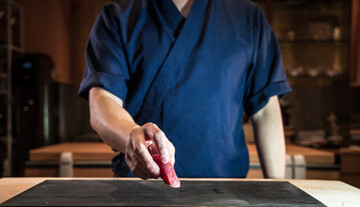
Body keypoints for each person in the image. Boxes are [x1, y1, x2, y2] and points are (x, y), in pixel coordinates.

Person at [78, 0, 292, 180]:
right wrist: (133, 139)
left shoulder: (248, 17)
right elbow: (103, 103)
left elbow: (265, 110)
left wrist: (279, 190)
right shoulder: (117, 17)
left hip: (227, 191)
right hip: (141, 187)